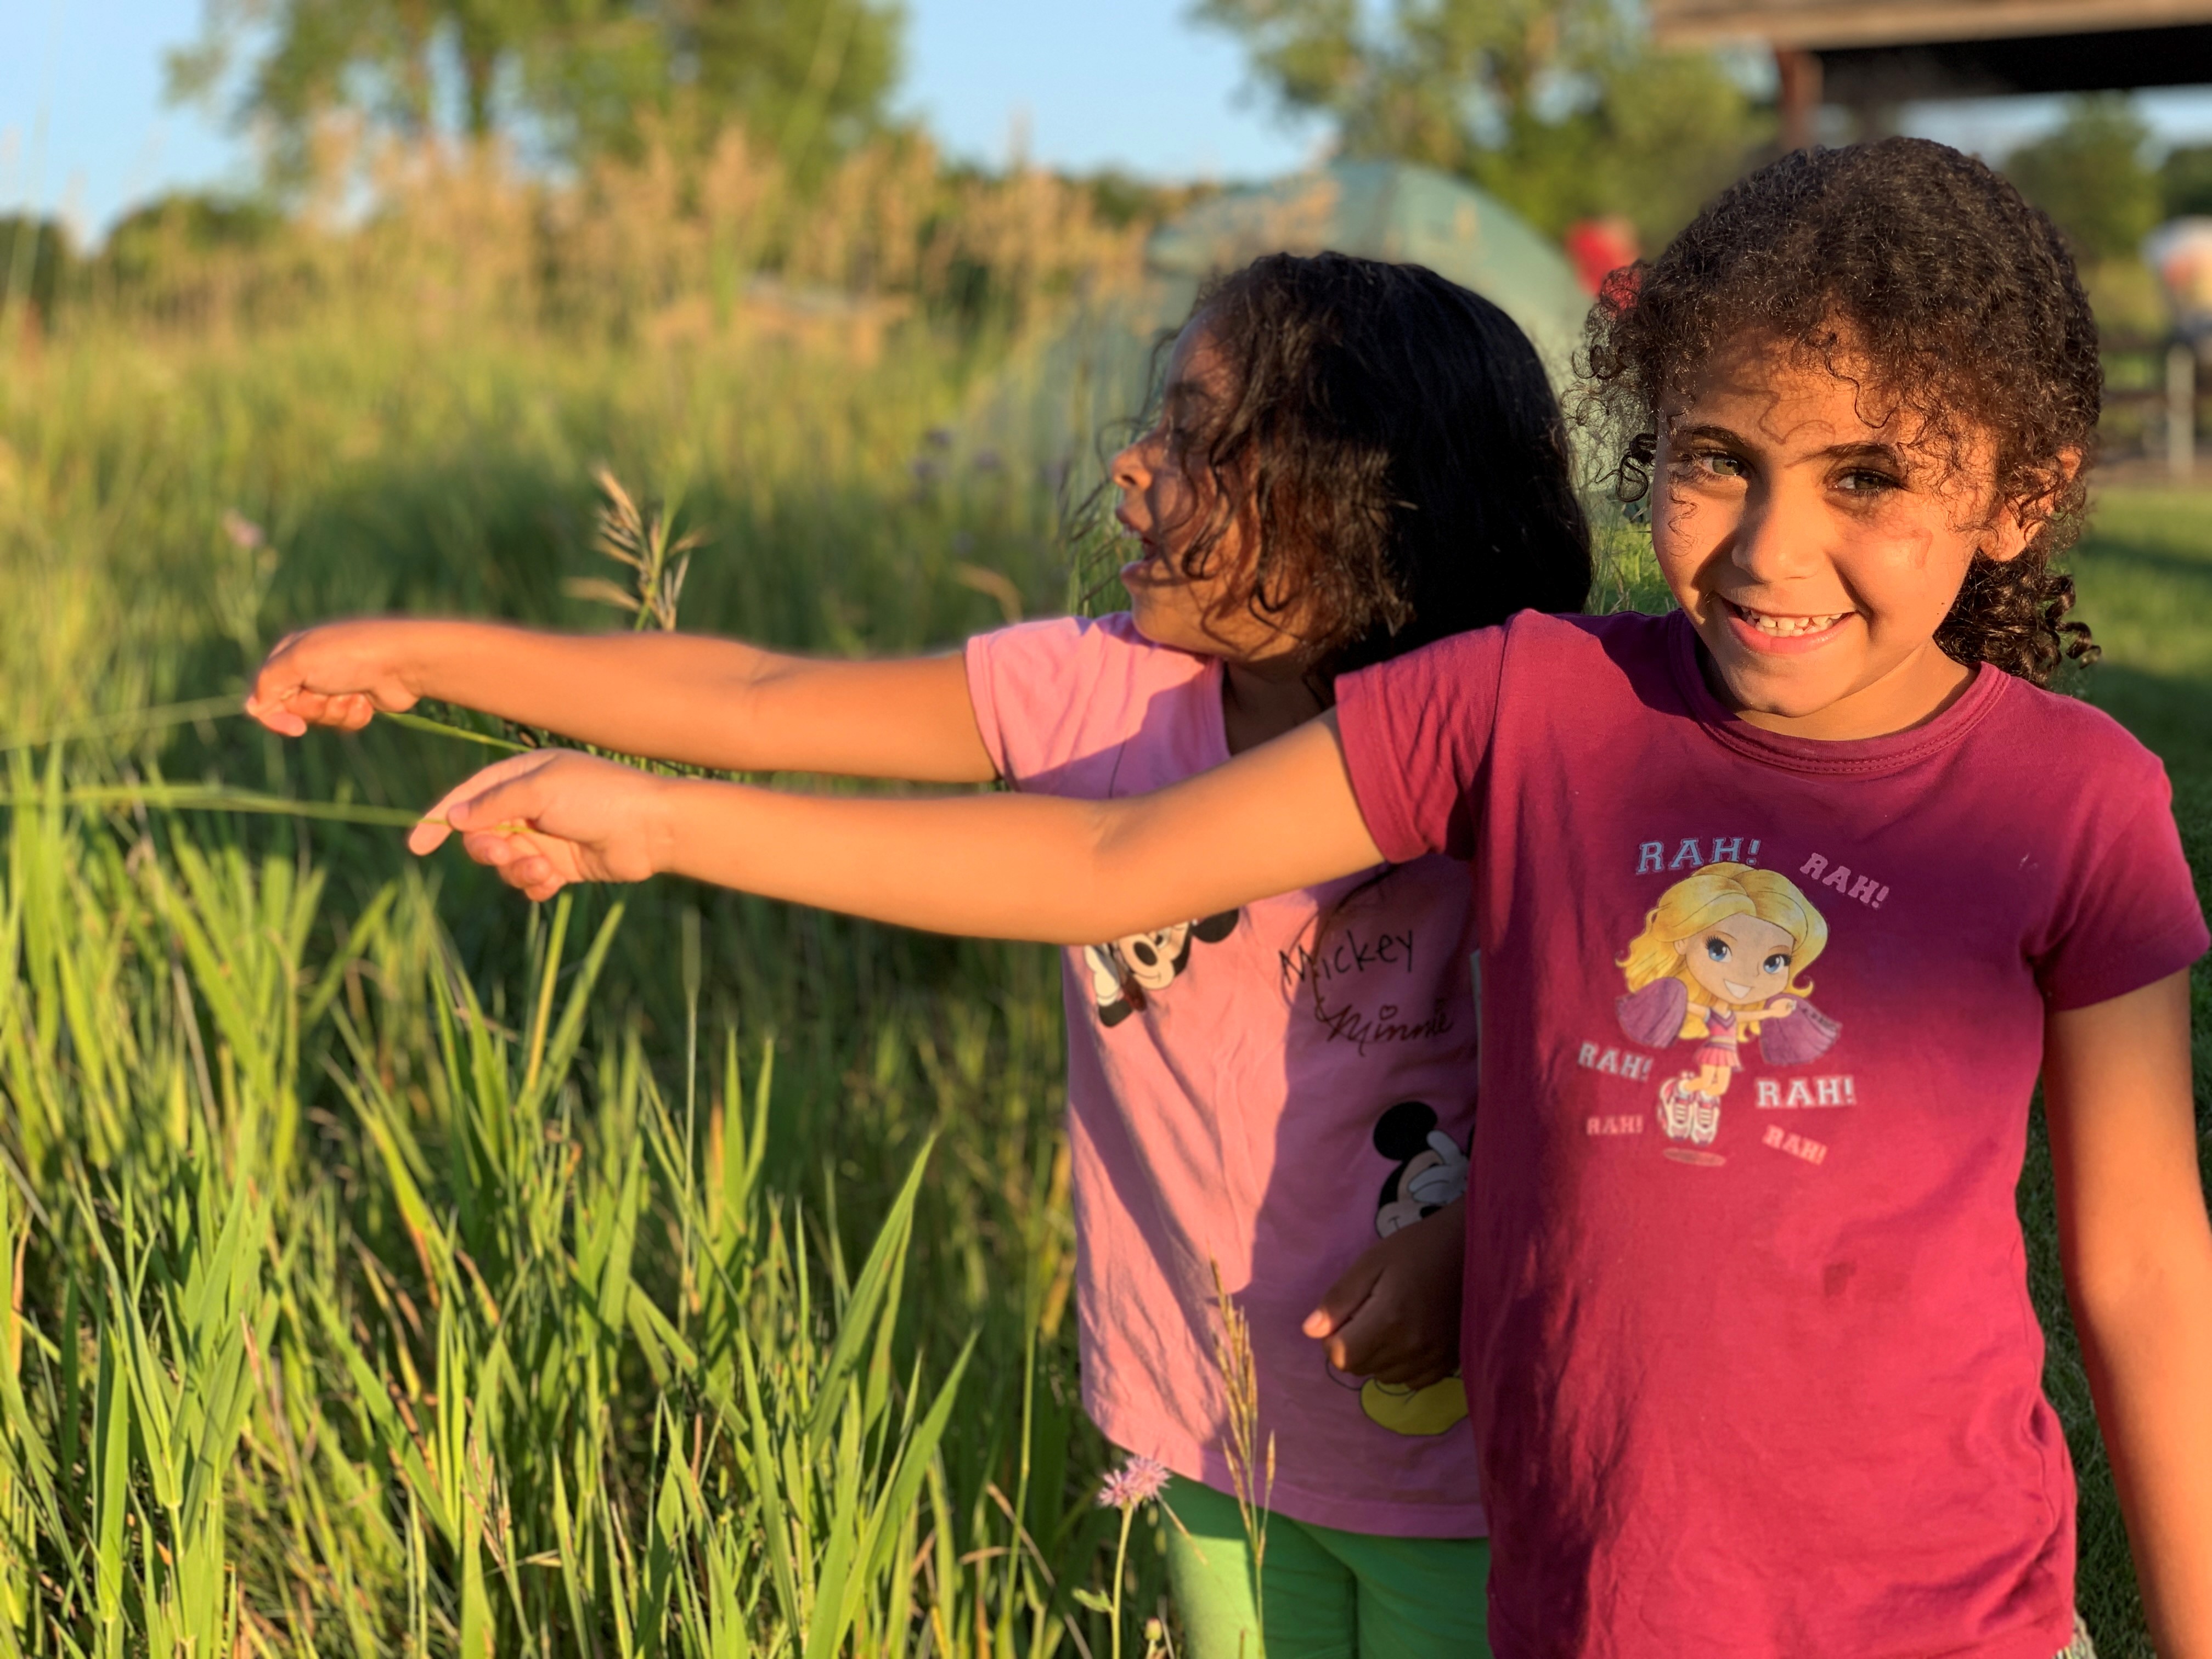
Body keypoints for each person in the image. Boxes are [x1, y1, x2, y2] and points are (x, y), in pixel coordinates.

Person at [370, 141, 2212, 1657]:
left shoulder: (2079, 804)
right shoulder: (1537, 701)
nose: (1768, 545)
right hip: (1591, 1603)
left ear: (2026, 491)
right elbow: (1107, 859)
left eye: (1868, 479)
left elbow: (2138, 1271)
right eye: (1714, 457)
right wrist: (665, 821)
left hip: (1953, 1612)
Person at [248, 252, 1595, 1658]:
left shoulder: (1509, 748)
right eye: (1158, 422)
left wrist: (1467, 1238)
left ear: (1357, 500)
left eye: (1200, 440)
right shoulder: (1108, 693)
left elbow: (1609, 1081)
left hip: (1466, 1460)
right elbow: (759, 697)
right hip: (1205, 1432)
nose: (1133, 463)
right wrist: (426, 656)